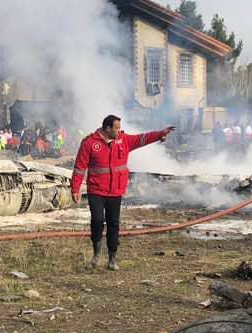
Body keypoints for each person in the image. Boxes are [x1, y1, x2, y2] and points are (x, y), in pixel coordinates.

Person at [71, 115, 175, 270]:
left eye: (120, 128)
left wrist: (160, 134)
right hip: (96, 191)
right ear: (108, 129)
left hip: (115, 191)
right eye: (116, 128)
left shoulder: (124, 140)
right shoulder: (89, 143)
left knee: (114, 224)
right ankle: (96, 255)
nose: (119, 131)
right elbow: (80, 167)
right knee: (97, 222)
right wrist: (75, 188)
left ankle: (112, 258)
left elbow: (142, 139)